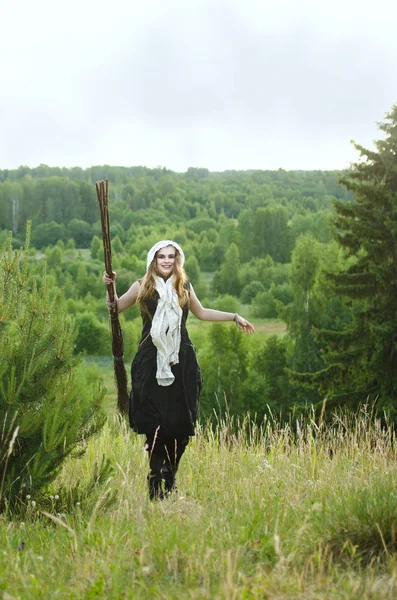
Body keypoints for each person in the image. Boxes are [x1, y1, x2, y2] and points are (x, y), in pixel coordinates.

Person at [103, 240, 254, 500]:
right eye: (161, 256)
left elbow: (202, 312)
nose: (166, 261)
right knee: (154, 422)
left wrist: (234, 316)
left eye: (171, 256)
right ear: (153, 259)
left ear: (177, 259)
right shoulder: (141, 287)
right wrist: (110, 287)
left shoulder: (184, 286)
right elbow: (115, 307)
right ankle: (154, 479)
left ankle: (170, 475)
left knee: (180, 423)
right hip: (151, 361)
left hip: (181, 359)